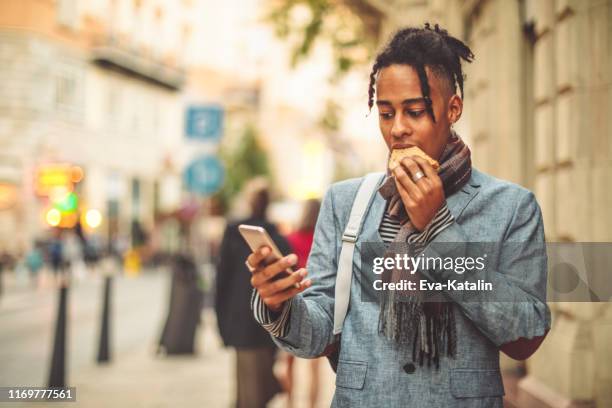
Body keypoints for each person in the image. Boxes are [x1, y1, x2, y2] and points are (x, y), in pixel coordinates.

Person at [246, 24, 551, 407]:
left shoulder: (511, 207)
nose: (398, 129)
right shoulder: (346, 202)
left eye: (416, 111)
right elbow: (320, 333)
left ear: (452, 108)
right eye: (386, 113)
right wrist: (279, 304)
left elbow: (526, 335)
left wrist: (437, 229)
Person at [215, 178, 288, 408]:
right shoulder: (278, 238)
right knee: (255, 391)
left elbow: (221, 282)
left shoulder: (234, 234)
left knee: (247, 392)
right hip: (267, 325)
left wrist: (222, 323)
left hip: (240, 322)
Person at [283, 199, 321, 408]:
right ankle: (312, 405)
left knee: (289, 360)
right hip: (316, 301)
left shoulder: (290, 238)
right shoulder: (323, 238)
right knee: (314, 366)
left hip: (294, 301)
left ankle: (289, 403)